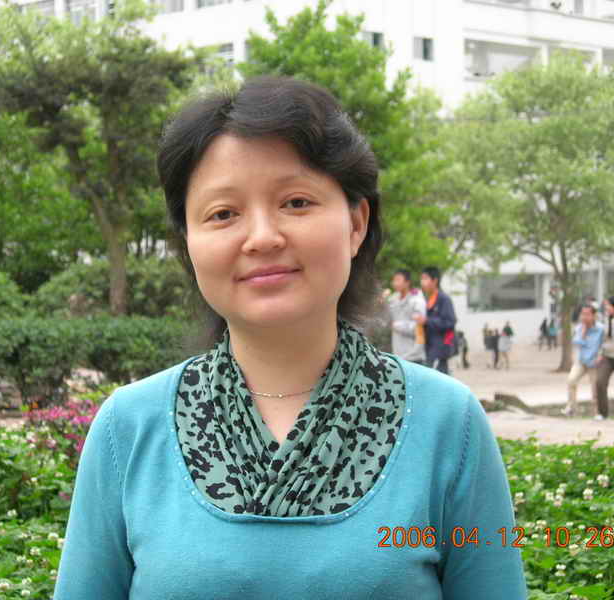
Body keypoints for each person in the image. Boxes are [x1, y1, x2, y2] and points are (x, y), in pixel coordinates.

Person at [53, 77, 527, 599]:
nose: (262, 237)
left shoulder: (448, 423)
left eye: (296, 202)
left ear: (356, 223)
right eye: (223, 214)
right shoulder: (128, 428)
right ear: (188, 244)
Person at [562, 304, 604, 417]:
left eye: (587, 314)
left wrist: (600, 355)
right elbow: (576, 342)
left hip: (594, 363)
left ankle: (597, 412)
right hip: (581, 362)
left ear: (594, 315)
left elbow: (604, 344)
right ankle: (572, 408)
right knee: (571, 380)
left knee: (595, 390)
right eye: (583, 314)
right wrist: (584, 332)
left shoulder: (601, 329)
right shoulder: (579, 328)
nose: (584, 317)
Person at [417, 266, 457, 375]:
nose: (422, 282)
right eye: (421, 279)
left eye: (425, 278)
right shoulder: (427, 299)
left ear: (435, 280)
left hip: (440, 351)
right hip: (430, 349)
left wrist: (427, 321)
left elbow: (450, 322)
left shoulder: (444, 299)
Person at [388, 269, 426, 365]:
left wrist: (395, 325)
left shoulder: (417, 300)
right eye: (394, 280)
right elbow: (386, 321)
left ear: (407, 282)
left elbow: (418, 326)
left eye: (398, 280)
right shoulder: (393, 299)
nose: (395, 283)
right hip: (398, 353)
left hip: (414, 355)